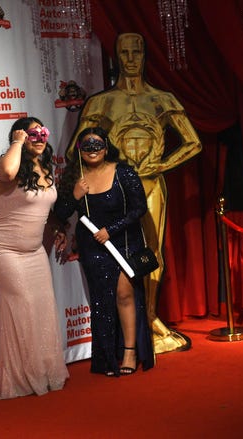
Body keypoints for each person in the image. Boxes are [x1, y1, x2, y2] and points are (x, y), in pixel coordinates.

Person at [66, 32, 202, 354]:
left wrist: (162, 164)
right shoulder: (101, 102)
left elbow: (193, 142)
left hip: (151, 183)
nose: (130, 58)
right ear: (116, 56)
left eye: (136, 51)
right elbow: (77, 149)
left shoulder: (161, 99)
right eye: (124, 52)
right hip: (112, 185)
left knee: (152, 253)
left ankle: (152, 320)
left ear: (144, 55)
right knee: (114, 250)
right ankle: (123, 325)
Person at [0, 116, 69, 399]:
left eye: (43, 133)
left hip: (33, 250)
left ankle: (43, 372)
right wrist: (18, 143)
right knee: (21, 306)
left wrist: (57, 227)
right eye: (33, 134)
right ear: (19, 137)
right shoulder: (7, 162)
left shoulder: (45, 166)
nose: (40, 138)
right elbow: (6, 174)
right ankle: (19, 377)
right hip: (2, 248)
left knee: (42, 307)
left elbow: (42, 205)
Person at [54, 127, 154, 376]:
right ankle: (108, 358)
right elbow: (60, 214)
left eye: (97, 145)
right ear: (79, 151)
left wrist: (112, 229)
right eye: (87, 146)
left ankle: (130, 351)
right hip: (92, 248)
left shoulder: (123, 172)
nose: (93, 150)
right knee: (101, 303)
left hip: (123, 243)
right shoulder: (74, 177)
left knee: (123, 294)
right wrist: (74, 195)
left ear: (107, 147)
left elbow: (139, 208)